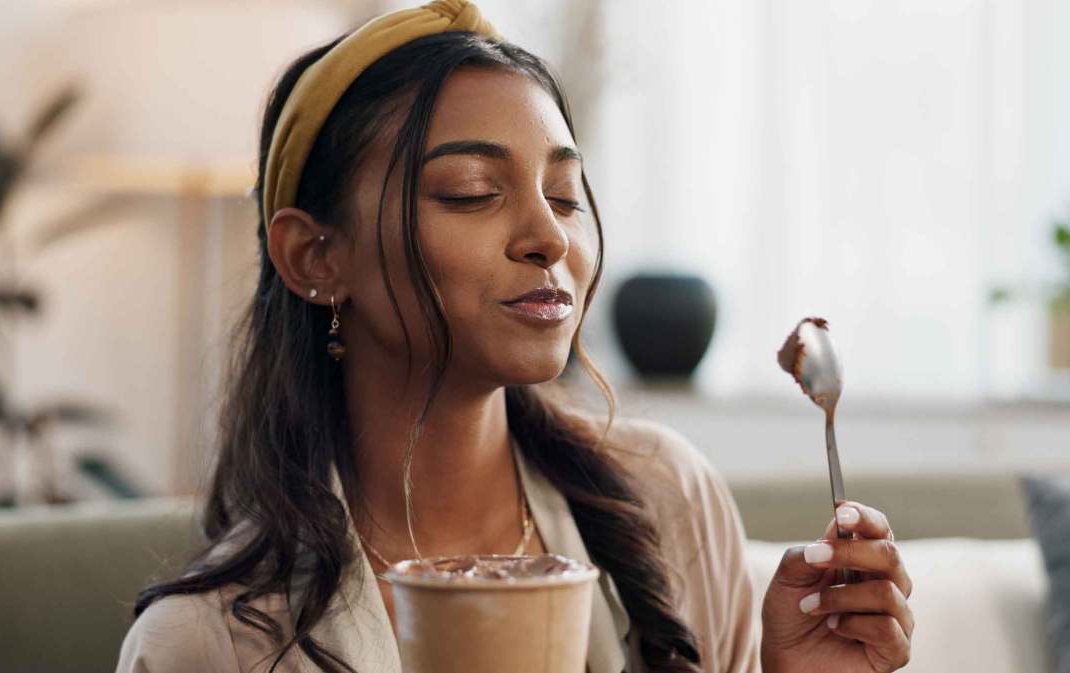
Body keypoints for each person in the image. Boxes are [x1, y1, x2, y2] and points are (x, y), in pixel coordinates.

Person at [114, 2, 914, 672]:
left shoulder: (668, 501)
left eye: (565, 196)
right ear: (316, 255)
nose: (549, 236)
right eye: (471, 192)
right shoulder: (204, 643)